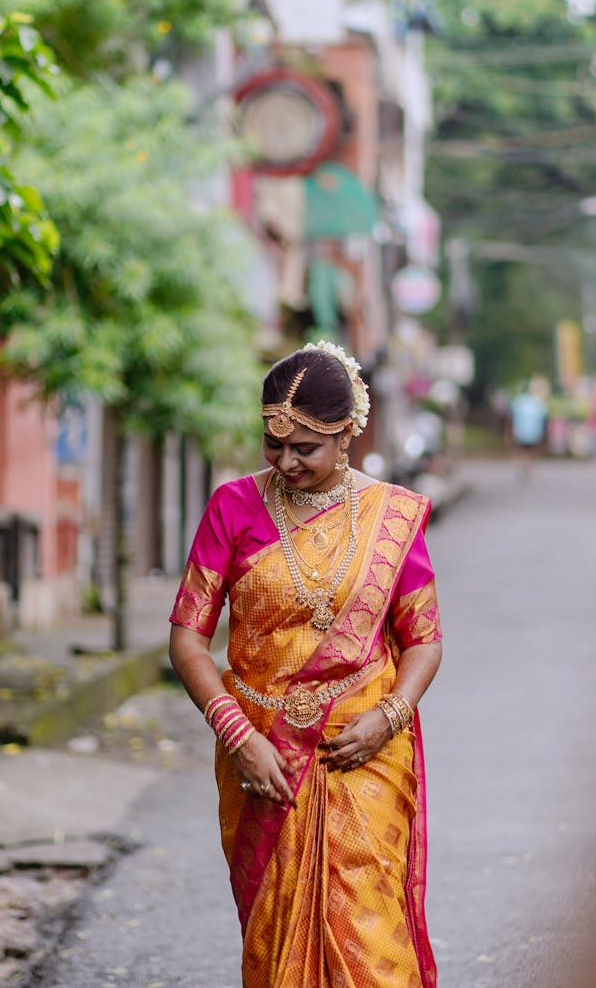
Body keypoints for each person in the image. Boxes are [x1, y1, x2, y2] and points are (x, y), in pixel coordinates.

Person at [168, 341, 443, 988]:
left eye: (306, 448)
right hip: (260, 755)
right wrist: (238, 737)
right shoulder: (233, 507)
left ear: (347, 434)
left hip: (364, 751)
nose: (285, 461)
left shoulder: (391, 517)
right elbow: (187, 636)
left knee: (370, 932)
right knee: (273, 938)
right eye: (273, 443)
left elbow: (425, 640)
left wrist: (387, 716)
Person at [507, 383, 547, 478]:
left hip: (520, 430)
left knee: (520, 449)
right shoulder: (537, 401)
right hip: (534, 431)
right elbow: (543, 417)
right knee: (529, 450)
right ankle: (527, 466)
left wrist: (509, 430)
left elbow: (511, 417)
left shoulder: (517, 401)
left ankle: (520, 463)